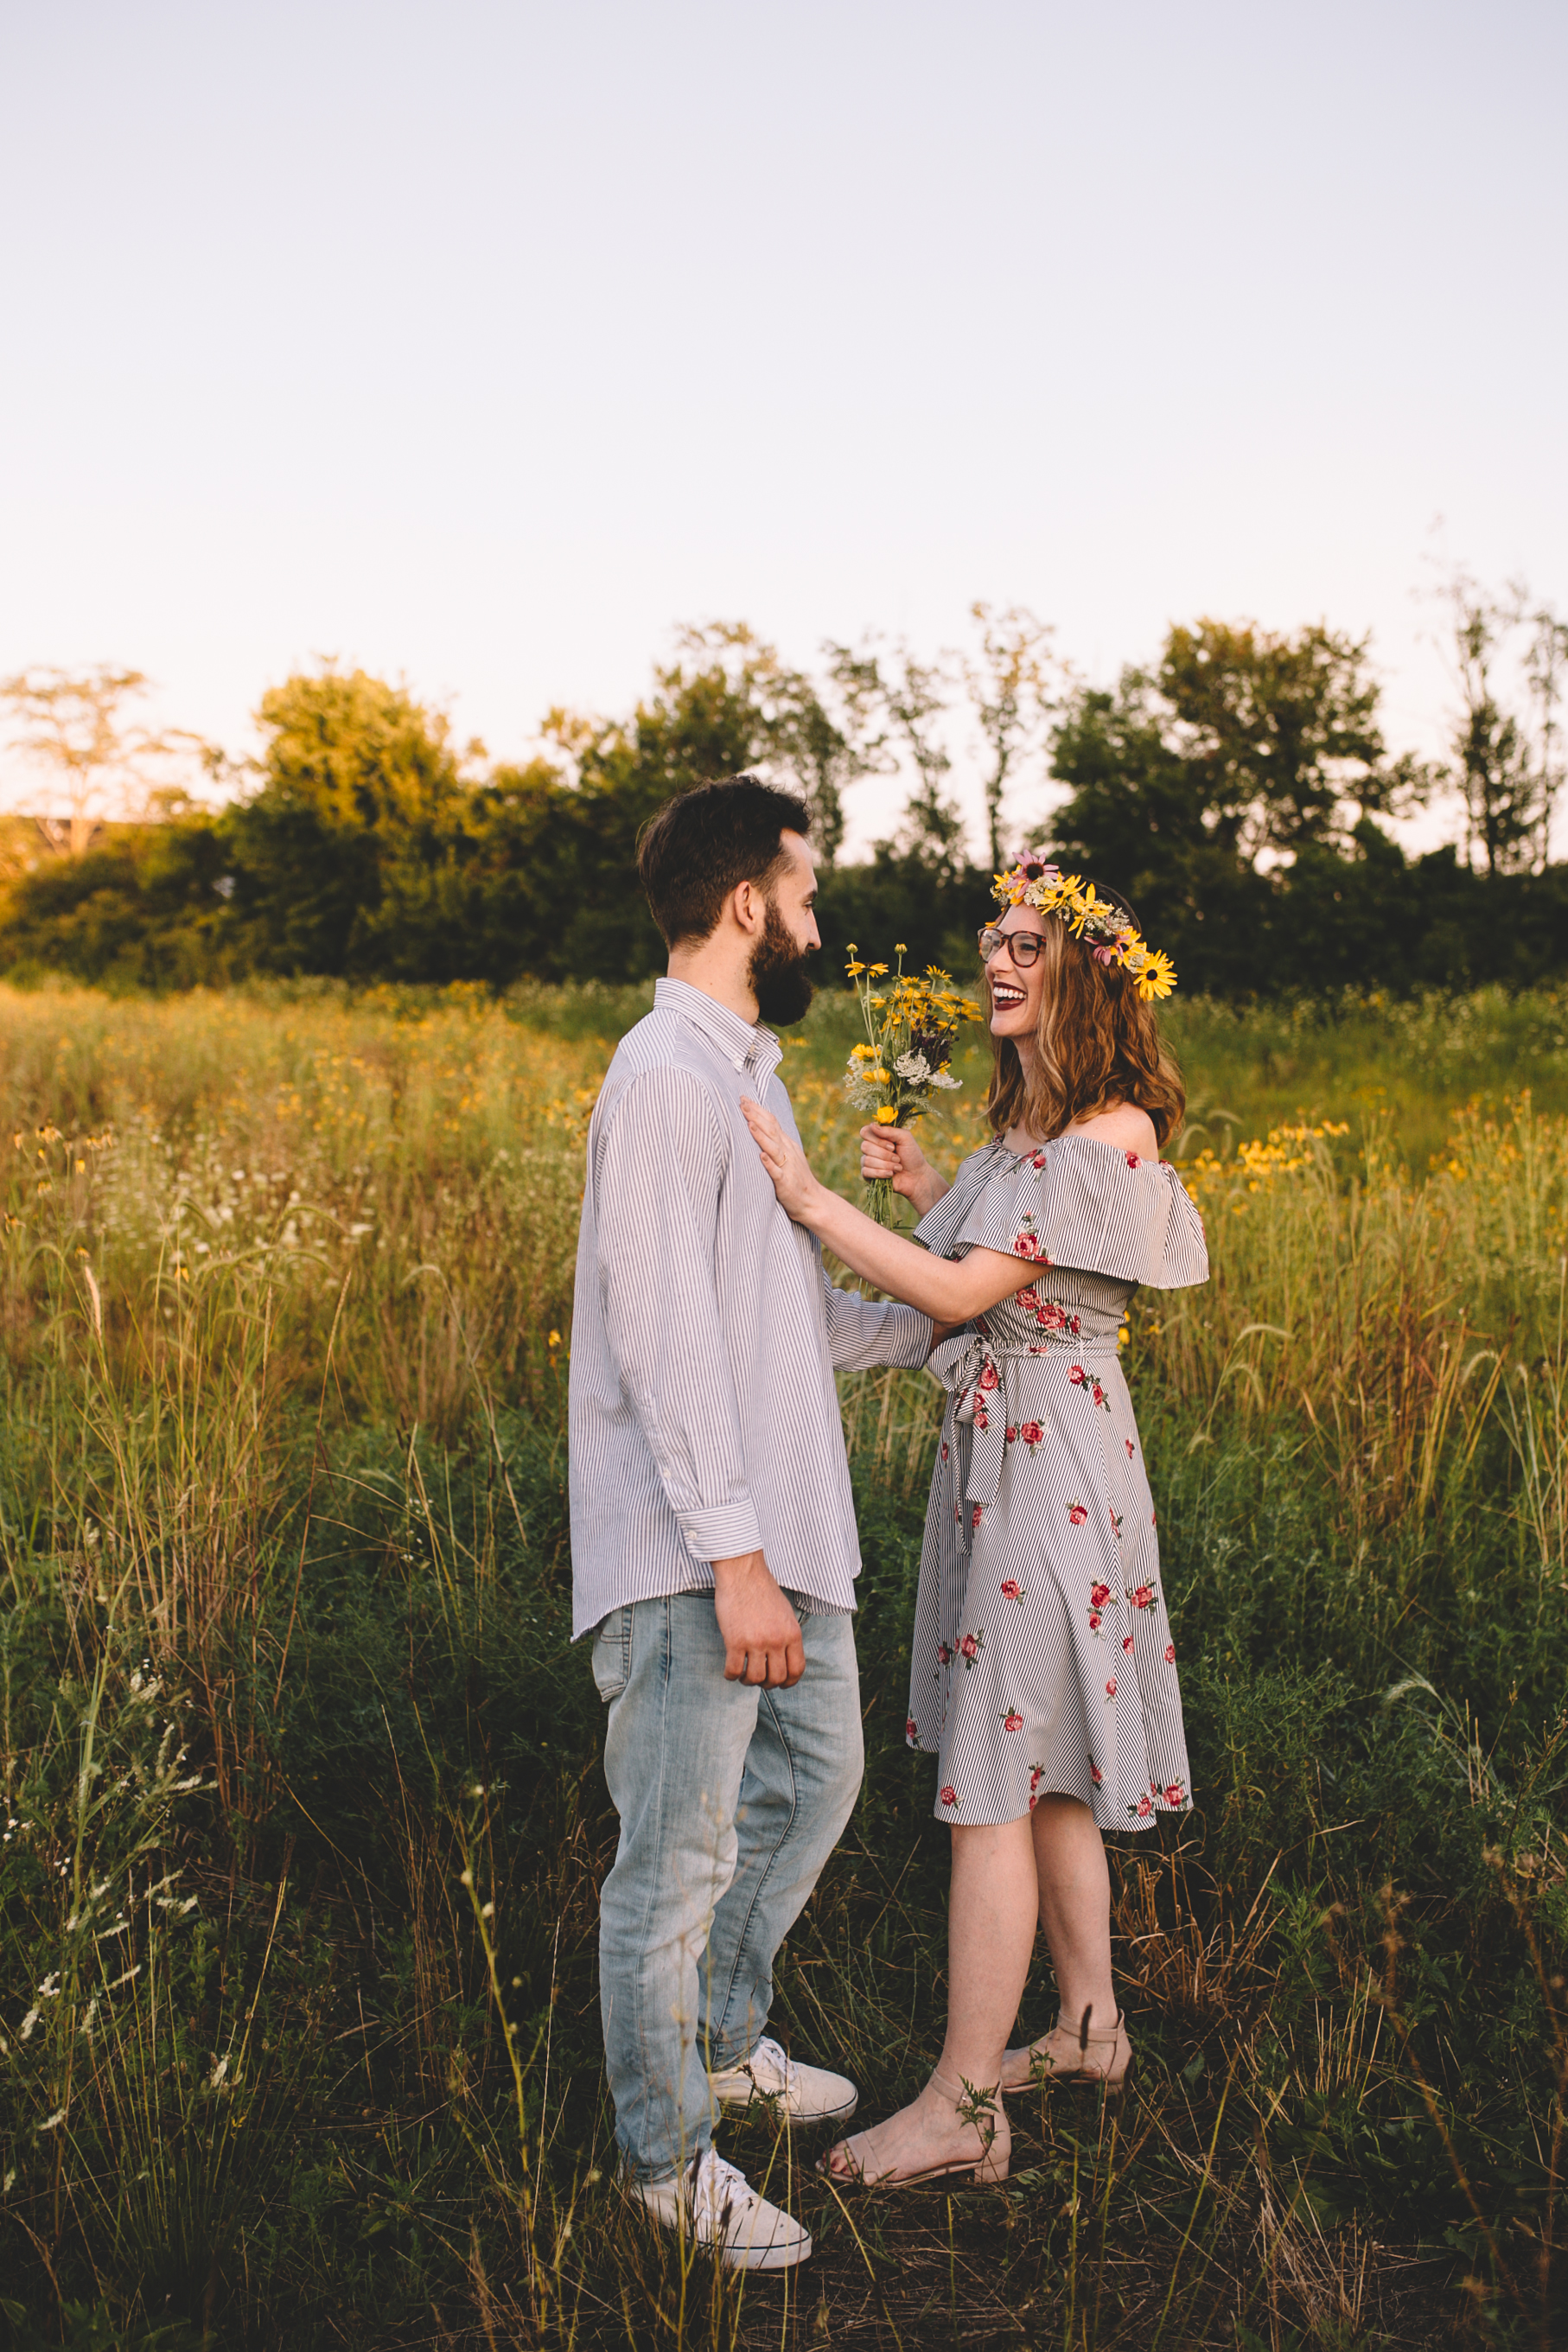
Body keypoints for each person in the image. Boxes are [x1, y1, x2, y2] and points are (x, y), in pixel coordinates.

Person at [741, 856, 1208, 2187]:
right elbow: (954, 1293)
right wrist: (885, 1213)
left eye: (1027, 944)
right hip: (1001, 1454)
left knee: (996, 1789)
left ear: (1092, 975)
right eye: (990, 940)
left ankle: (963, 2108)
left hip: (1052, 1466)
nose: (998, 962)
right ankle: (1085, 2027)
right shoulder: (1024, 1143)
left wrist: (811, 1197)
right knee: (1041, 1758)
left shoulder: (1112, 1134)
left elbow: (958, 1297)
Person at [569, 775, 941, 2266]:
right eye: (804, 892)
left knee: (820, 1776)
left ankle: (723, 2039)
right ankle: (664, 2155)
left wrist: (952, 1316)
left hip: (789, 1535)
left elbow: (778, 1320)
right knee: (674, 1861)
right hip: (698, 1557)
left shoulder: (748, 1074)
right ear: (747, 905)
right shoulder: (664, 1074)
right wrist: (734, 1565)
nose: (813, 918)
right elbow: (659, 1331)